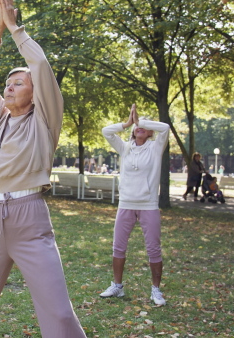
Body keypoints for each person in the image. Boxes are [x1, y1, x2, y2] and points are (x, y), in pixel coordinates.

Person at [0, 0, 86, 336]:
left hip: (30, 221)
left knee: (58, 313)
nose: (9, 87)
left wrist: (15, 29)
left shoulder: (45, 120)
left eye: (19, 83)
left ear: (36, 93)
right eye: (8, 84)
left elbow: (39, 64)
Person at [100, 104, 170, 306]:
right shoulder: (125, 147)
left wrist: (141, 122)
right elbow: (106, 131)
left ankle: (156, 290)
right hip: (126, 204)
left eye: (144, 125)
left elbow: (165, 127)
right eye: (137, 125)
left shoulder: (156, 147)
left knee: (153, 249)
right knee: (118, 247)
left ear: (150, 131)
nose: (140, 127)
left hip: (148, 205)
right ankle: (117, 286)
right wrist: (127, 123)